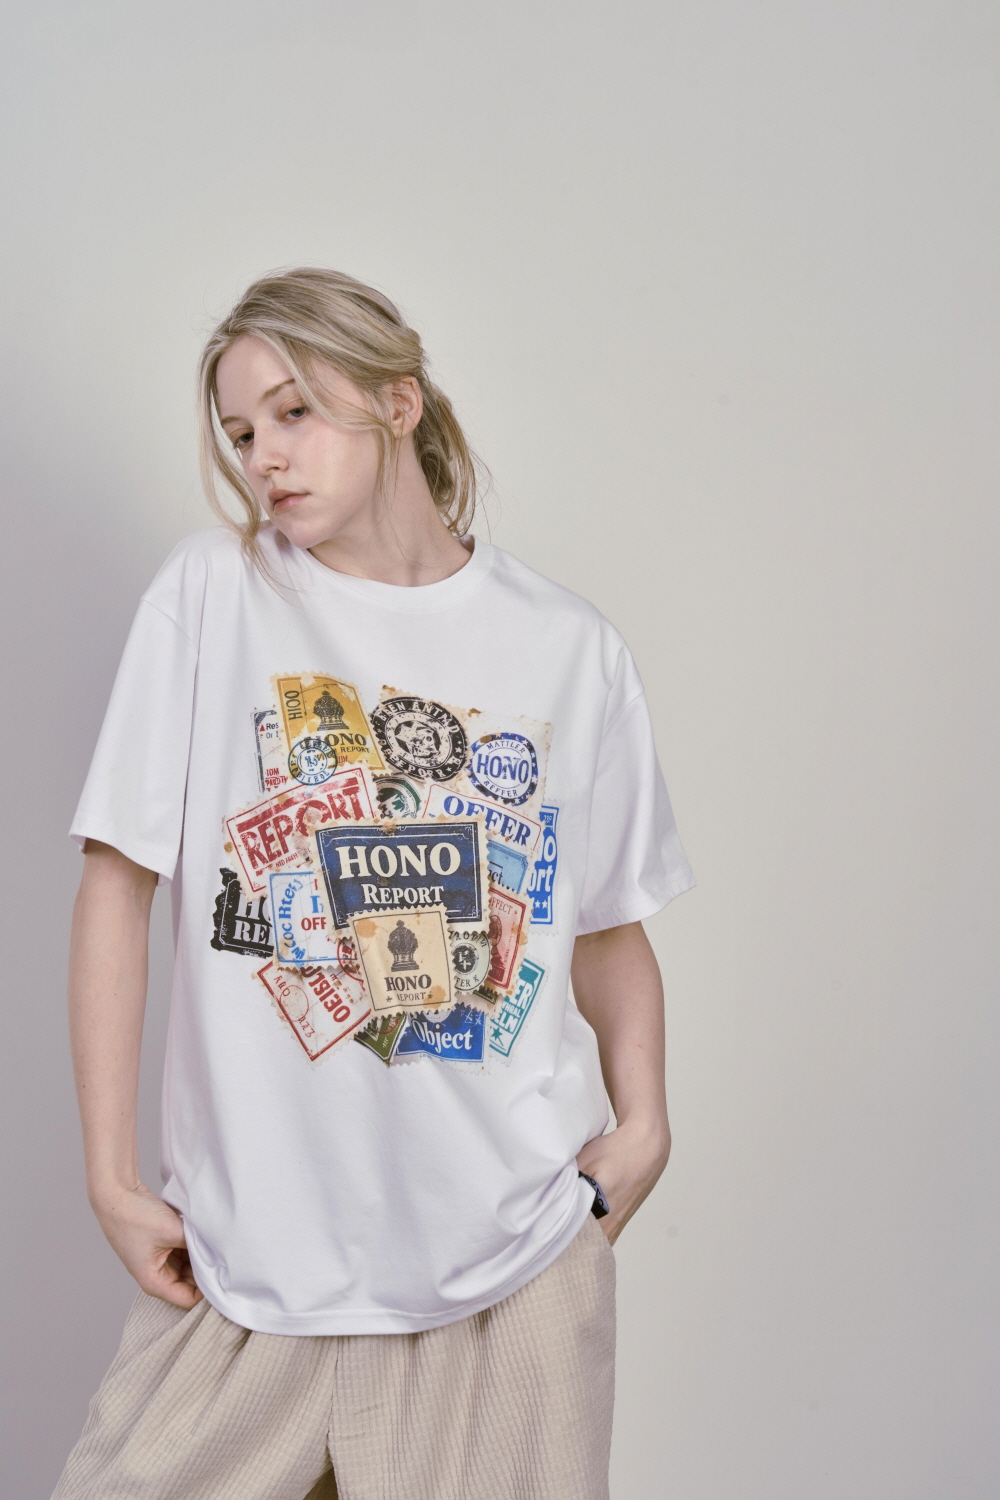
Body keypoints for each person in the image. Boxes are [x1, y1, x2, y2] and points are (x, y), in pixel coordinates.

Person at [54, 267, 694, 1500]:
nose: (264, 458)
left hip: (507, 1265)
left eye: (294, 412)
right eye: (241, 432)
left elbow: (608, 925)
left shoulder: (567, 648)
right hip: (250, 1262)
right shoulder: (213, 597)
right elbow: (116, 884)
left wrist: (645, 1123)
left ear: (399, 403)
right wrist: (110, 1174)